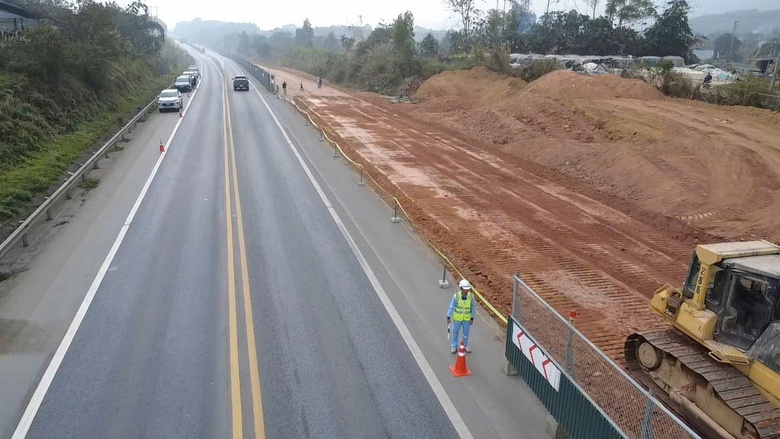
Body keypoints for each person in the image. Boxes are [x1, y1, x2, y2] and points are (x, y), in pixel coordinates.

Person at [447, 279, 476, 354]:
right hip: (457, 319)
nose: (466, 291)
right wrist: (448, 316)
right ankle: (454, 346)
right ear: (461, 288)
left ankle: (466, 345)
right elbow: (451, 306)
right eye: (465, 289)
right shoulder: (456, 296)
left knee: (466, 333)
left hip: (466, 319)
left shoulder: (471, 297)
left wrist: (472, 318)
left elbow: (473, 308)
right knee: (455, 333)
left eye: (467, 289)